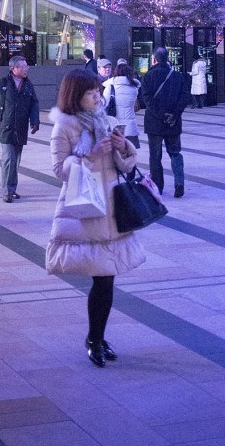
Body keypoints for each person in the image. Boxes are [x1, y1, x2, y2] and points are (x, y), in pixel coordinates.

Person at [46, 68, 145, 367]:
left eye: (98, 92)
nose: (98, 97)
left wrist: (121, 146)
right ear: (76, 96)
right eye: (91, 93)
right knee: (102, 279)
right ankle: (94, 338)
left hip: (112, 207)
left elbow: (126, 166)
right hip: (86, 209)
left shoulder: (108, 121)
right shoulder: (63, 127)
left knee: (107, 279)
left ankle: (98, 338)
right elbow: (59, 170)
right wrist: (88, 155)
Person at [0, 55, 39, 203]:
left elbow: (34, 103)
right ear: (13, 68)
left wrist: (35, 121)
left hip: (20, 128)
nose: (25, 69)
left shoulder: (28, 85)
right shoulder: (2, 83)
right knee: (8, 158)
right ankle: (6, 191)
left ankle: (12, 189)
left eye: (26, 66)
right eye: (22, 66)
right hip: (6, 127)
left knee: (16, 160)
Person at [141, 46, 189, 198]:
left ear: (154, 59)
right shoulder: (178, 76)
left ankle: (158, 187)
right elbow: (184, 98)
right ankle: (179, 183)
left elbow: (147, 99)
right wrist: (174, 115)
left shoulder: (148, 76)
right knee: (175, 153)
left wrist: (162, 115)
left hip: (154, 123)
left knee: (155, 156)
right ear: (168, 58)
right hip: (173, 123)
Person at [102, 62, 141, 149]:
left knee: (116, 157)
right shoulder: (134, 88)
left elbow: (104, 104)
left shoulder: (110, 87)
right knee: (131, 155)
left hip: (115, 127)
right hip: (131, 127)